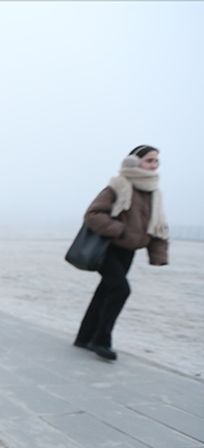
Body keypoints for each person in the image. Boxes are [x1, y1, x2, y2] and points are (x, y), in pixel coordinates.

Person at [73, 145, 168, 361]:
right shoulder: (118, 186)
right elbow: (93, 214)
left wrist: (158, 255)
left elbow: (157, 226)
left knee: (106, 292)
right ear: (134, 162)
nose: (154, 165)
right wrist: (120, 231)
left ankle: (83, 338)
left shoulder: (154, 193)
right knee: (120, 290)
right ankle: (101, 341)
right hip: (108, 248)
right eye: (149, 160)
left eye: (156, 161)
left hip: (128, 252)